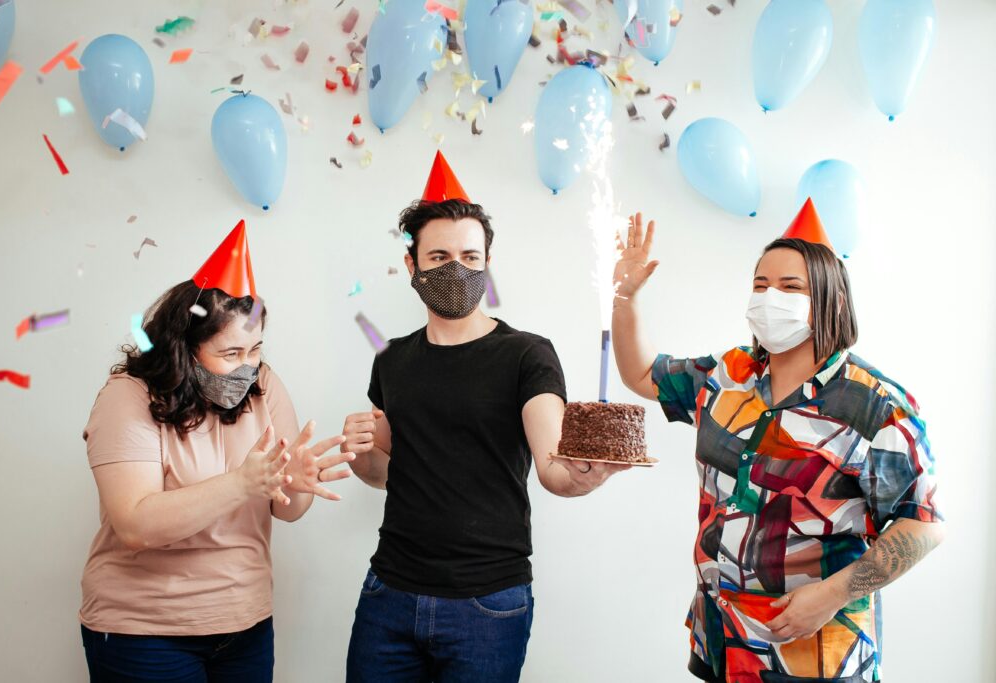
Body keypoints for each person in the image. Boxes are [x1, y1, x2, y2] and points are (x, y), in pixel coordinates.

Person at [611, 199, 944, 682]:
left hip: (815, 650)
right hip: (722, 638)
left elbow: (924, 524)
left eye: (790, 286)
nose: (770, 297)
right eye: (760, 284)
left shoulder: (876, 405)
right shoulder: (727, 375)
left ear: (831, 299)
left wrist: (832, 595)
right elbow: (640, 372)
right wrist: (626, 297)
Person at [341, 151, 628, 682]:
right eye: (440, 256)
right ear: (412, 265)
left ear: (487, 263)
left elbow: (552, 465)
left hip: (488, 603)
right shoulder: (391, 359)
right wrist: (361, 455)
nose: (457, 269)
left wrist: (583, 476)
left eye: (472, 258)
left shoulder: (527, 354)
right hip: (389, 593)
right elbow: (386, 473)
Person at [79, 221, 354, 682]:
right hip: (144, 633)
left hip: (245, 625)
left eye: (256, 349)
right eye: (230, 354)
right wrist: (241, 483)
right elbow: (134, 525)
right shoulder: (128, 397)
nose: (247, 367)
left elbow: (286, 511)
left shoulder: (265, 385)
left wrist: (296, 485)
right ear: (184, 347)